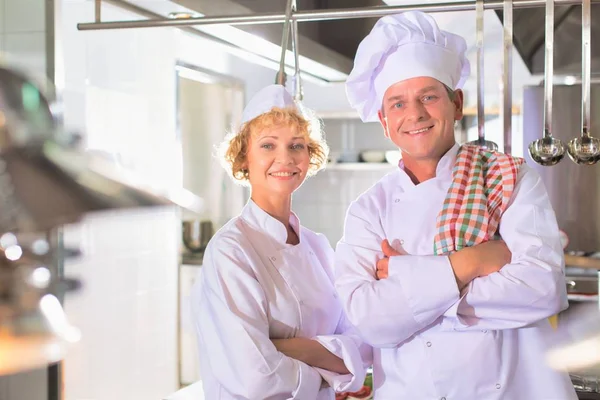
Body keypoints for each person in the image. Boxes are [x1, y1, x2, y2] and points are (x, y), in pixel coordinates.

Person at [335, 11, 577, 400]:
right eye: (397, 104)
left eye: (428, 97)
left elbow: (543, 288)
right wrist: (472, 263)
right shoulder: (368, 211)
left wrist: (411, 287)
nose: (413, 114)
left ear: (456, 103)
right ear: (383, 121)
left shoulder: (508, 178)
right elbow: (372, 323)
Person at [190, 84, 372, 400]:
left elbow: (362, 341)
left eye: (296, 145)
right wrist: (331, 370)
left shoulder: (316, 246)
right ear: (243, 157)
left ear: (309, 155)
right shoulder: (230, 251)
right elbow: (255, 377)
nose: (284, 158)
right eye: (268, 146)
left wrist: (283, 349)